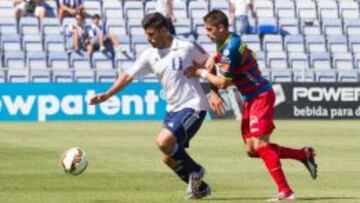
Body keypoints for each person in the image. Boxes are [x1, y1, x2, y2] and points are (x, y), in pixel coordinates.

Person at [185, 10, 318, 202]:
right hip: (250, 98)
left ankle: (286, 191)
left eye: (210, 29)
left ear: (221, 28)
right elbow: (218, 66)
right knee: (251, 150)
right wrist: (213, 79)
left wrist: (200, 73)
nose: (207, 33)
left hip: (260, 96)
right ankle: (303, 154)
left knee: (261, 145)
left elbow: (223, 82)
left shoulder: (230, 47)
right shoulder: (228, 40)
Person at [89, 12, 212, 199]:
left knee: (163, 141)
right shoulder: (150, 55)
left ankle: (196, 171)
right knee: (168, 158)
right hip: (172, 109)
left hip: (193, 105)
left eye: (152, 34)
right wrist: (107, 95)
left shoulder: (186, 47)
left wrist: (214, 90)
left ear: (164, 30)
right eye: (147, 34)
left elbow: (209, 61)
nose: (149, 38)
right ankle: (201, 188)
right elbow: (127, 76)